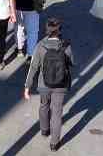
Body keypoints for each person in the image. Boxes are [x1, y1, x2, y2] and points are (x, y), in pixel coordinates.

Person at [23, 18, 74, 150]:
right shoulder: (66, 46)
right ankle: (54, 143)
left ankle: (44, 129)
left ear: (47, 30)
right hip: (61, 85)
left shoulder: (41, 45)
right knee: (57, 113)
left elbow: (33, 67)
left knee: (44, 105)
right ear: (59, 31)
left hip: (43, 84)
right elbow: (72, 62)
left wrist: (27, 86)